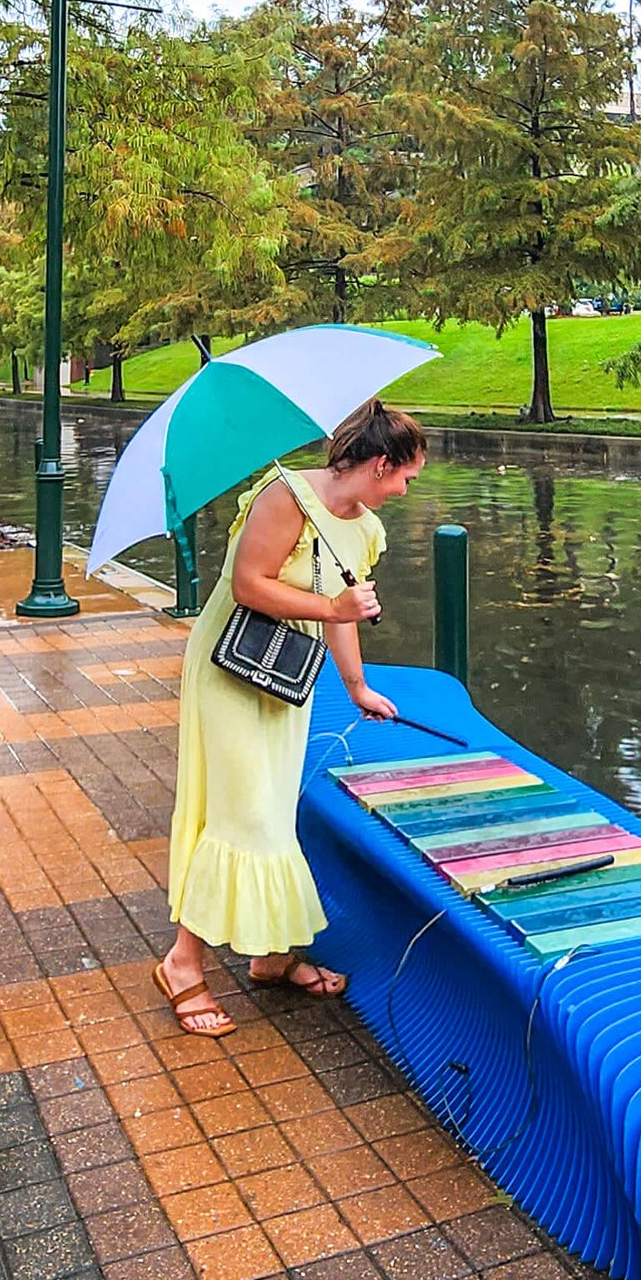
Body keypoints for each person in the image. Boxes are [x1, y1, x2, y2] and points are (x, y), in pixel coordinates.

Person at [154, 396, 427, 1037]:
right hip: (231, 668)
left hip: (285, 673)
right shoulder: (284, 497)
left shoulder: (361, 526)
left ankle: (270, 955)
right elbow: (251, 585)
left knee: (273, 808)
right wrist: (333, 608)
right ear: (381, 462)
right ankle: (181, 962)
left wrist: (356, 684)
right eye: (407, 477)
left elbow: (344, 610)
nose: (408, 491)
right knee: (240, 811)